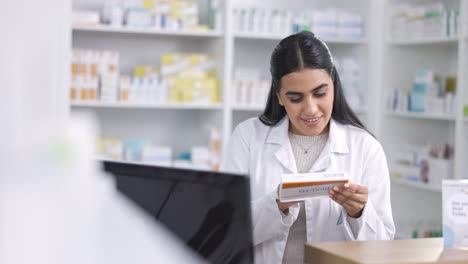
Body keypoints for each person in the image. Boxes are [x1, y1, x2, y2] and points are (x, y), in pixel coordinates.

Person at [220, 31, 395, 264]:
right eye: (296, 98)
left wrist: (359, 214)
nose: (311, 109)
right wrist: (277, 204)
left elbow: (383, 250)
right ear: (279, 96)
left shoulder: (365, 148)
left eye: (320, 94)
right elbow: (225, 232)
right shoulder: (247, 137)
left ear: (334, 86)